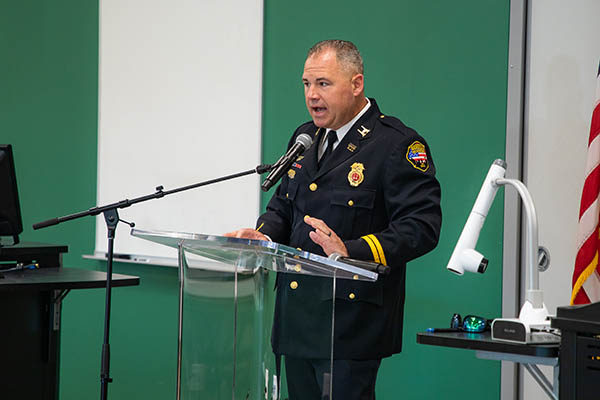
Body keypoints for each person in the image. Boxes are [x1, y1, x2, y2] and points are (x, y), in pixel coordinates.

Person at [226, 40, 442, 400]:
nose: (312, 95)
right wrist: (263, 236)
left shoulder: (395, 145)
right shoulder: (305, 137)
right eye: (306, 84)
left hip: (350, 323)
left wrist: (350, 250)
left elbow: (422, 227)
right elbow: (284, 206)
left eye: (323, 84)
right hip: (295, 320)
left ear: (356, 84)